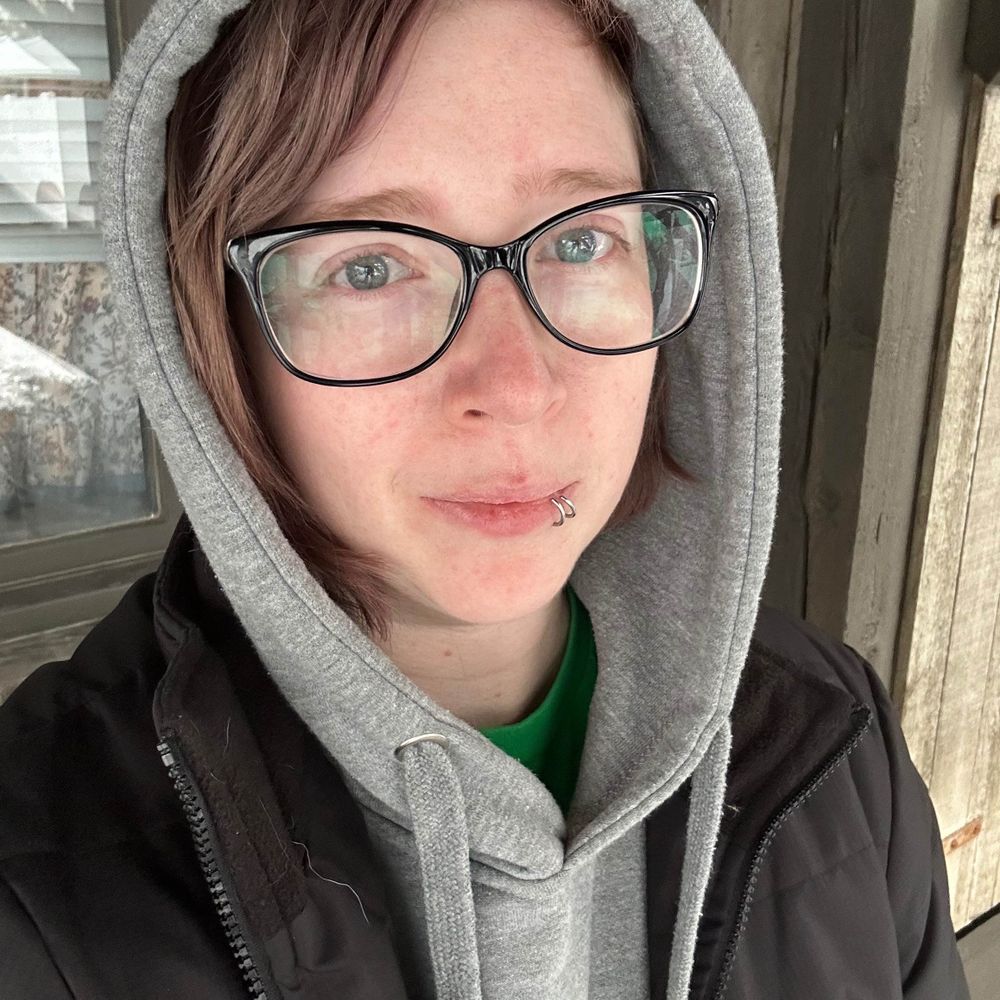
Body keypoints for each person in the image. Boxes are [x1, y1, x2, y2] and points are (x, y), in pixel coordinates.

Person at [0, 0, 973, 997]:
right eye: (369, 266)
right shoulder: (34, 895)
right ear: (213, 336)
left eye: (583, 242)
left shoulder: (833, 739)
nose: (515, 386)